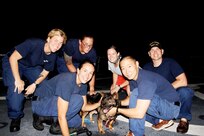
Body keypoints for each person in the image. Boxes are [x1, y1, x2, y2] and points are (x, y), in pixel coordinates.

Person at [1, 28, 67, 132]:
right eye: (55, 40)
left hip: (32, 66)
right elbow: (13, 58)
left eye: (60, 43)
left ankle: (40, 113)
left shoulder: (53, 55)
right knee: (15, 87)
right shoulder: (33, 43)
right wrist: (18, 80)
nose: (57, 45)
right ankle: (15, 117)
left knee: (45, 84)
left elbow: (45, 72)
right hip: (14, 61)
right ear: (48, 39)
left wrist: (34, 84)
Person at [107, 56, 181, 136]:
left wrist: (117, 110)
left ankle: (136, 133)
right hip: (161, 105)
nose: (127, 71)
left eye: (129, 66)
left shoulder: (145, 80)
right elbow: (131, 99)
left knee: (136, 106)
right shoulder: (132, 79)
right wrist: (116, 102)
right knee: (132, 105)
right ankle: (159, 120)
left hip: (171, 107)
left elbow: (139, 113)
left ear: (136, 64)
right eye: (123, 68)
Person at [32, 60, 101, 136]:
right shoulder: (67, 80)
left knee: (77, 123)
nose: (87, 75)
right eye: (85, 71)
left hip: (53, 103)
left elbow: (84, 107)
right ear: (78, 70)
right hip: (39, 103)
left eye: (90, 73)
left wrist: (99, 104)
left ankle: (52, 120)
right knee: (77, 100)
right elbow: (62, 115)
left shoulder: (83, 84)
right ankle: (45, 119)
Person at [143, 41, 194, 134]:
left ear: (162, 51)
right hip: (157, 99)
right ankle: (159, 120)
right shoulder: (146, 68)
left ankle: (184, 119)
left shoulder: (170, 63)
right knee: (137, 102)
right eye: (152, 50)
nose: (155, 52)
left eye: (157, 49)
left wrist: (165, 89)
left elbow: (183, 81)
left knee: (186, 91)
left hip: (172, 96)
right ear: (149, 54)